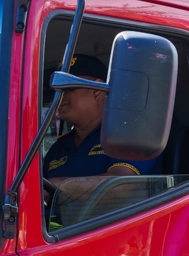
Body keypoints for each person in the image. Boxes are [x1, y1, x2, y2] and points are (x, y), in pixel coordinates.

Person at [42, 55, 161, 202]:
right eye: (56, 90)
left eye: (67, 87)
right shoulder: (57, 149)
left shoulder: (129, 135)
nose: (59, 96)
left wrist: (58, 185)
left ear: (96, 89)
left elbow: (122, 186)